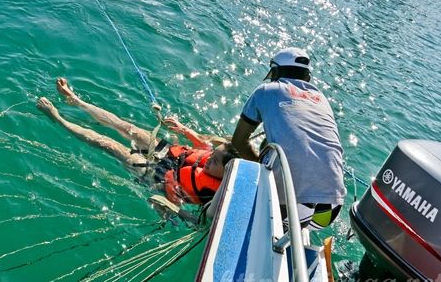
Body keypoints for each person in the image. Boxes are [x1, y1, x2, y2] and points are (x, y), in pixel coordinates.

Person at [37, 78, 238, 206]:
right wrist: (183, 129)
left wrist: (169, 185)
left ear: (227, 172)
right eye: (214, 155)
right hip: (169, 153)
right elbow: (205, 146)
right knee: (124, 126)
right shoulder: (214, 155)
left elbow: (174, 202)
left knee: (109, 144)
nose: (210, 158)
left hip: (155, 173)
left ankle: (58, 118)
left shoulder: (210, 193)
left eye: (215, 161)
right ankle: (75, 100)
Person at [231, 47, 346, 231]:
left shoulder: (266, 91)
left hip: (293, 204)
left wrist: (261, 169)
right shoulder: (321, 99)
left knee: (267, 146)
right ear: (307, 78)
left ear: (275, 72)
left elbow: (238, 142)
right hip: (330, 210)